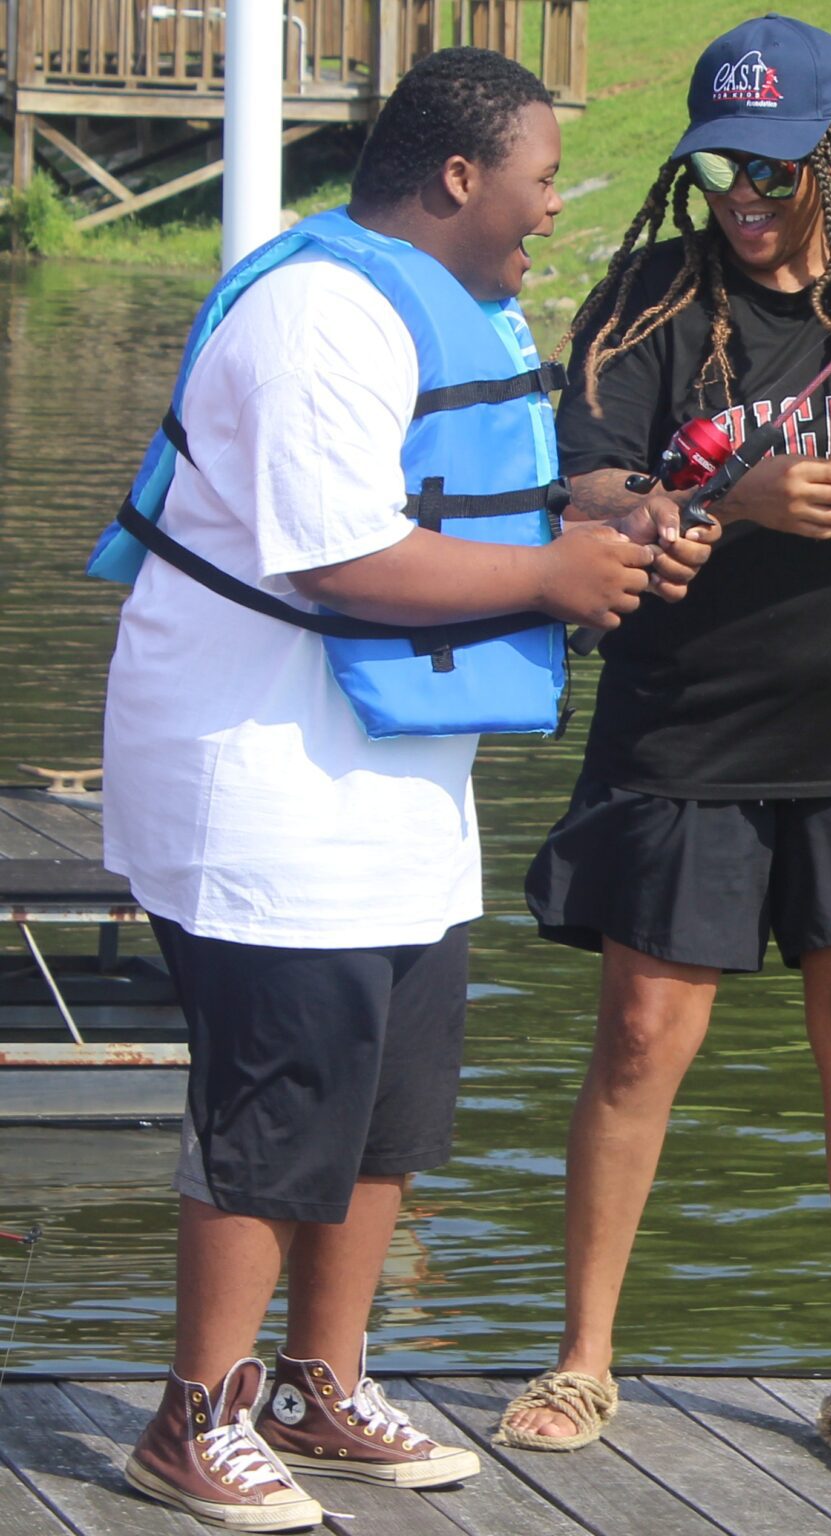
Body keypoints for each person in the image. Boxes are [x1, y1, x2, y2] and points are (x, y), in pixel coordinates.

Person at [95, 49, 714, 1531]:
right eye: (543, 178)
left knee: (386, 1101)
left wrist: (611, 515)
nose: (552, 211)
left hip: (392, 794)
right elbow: (340, 554)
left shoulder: (449, 304)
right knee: (280, 1096)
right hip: (261, 776)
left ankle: (319, 1380)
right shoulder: (320, 310)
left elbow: (468, 494)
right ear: (458, 178)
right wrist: (558, 578)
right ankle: (195, 1417)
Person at [496, 14, 831, 1480]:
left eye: (773, 162)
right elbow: (592, 501)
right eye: (718, 157)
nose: (741, 185)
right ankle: (584, 1361)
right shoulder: (651, 300)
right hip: (685, 729)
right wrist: (735, 502)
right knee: (641, 1041)